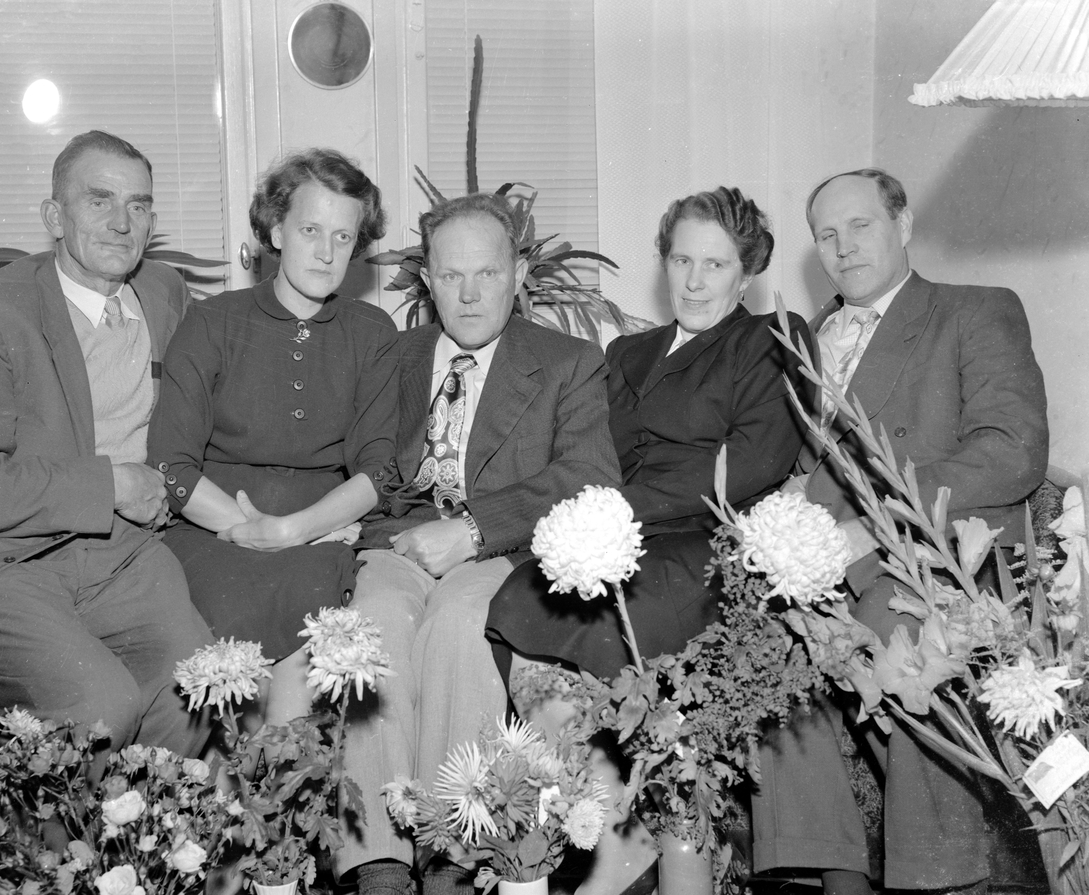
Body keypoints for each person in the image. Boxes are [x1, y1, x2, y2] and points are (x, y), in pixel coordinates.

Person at [486, 186, 811, 895]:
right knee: (519, 599)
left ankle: (619, 854)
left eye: (716, 264)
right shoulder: (628, 350)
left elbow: (753, 462)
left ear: (747, 272)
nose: (694, 280)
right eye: (681, 259)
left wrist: (613, 509)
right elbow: (589, 450)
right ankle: (597, 821)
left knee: (611, 623)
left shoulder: (771, 340)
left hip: (705, 543)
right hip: (615, 536)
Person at [750, 169, 1048, 894]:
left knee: (900, 637)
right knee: (753, 633)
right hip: (822, 555)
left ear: (904, 225)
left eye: (862, 225)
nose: (843, 247)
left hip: (930, 549)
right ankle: (831, 874)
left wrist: (873, 522)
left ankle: (938, 881)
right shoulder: (799, 338)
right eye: (826, 234)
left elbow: (1013, 449)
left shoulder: (974, 310)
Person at [0, 130, 213, 761]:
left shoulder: (163, 293)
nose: (122, 223)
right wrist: (112, 483)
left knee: (197, 687)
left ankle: (157, 827)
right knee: (97, 708)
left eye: (140, 205)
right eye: (99, 200)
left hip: (120, 551)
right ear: (54, 217)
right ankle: (66, 831)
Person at [335, 192, 621, 895]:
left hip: (499, 549)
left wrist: (470, 529)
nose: (469, 294)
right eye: (451, 275)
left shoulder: (568, 361)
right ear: (427, 280)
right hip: (399, 540)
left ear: (518, 274)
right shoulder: (396, 356)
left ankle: (451, 855)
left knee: (463, 625)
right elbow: (365, 457)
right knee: (374, 623)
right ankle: (378, 861)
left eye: (487, 273)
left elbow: (588, 475)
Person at [146, 148, 398, 727]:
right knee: (224, 666)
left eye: (343, 236)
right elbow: (171, 465)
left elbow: (379, 469)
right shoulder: (213, 322)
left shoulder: (371, 333)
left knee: (306, 617)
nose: (326, 251)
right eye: (310, 230)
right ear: (277, 231)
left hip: (319, 533)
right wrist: (250, 530)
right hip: (212, 533)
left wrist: (290, 531)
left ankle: (283, 774)